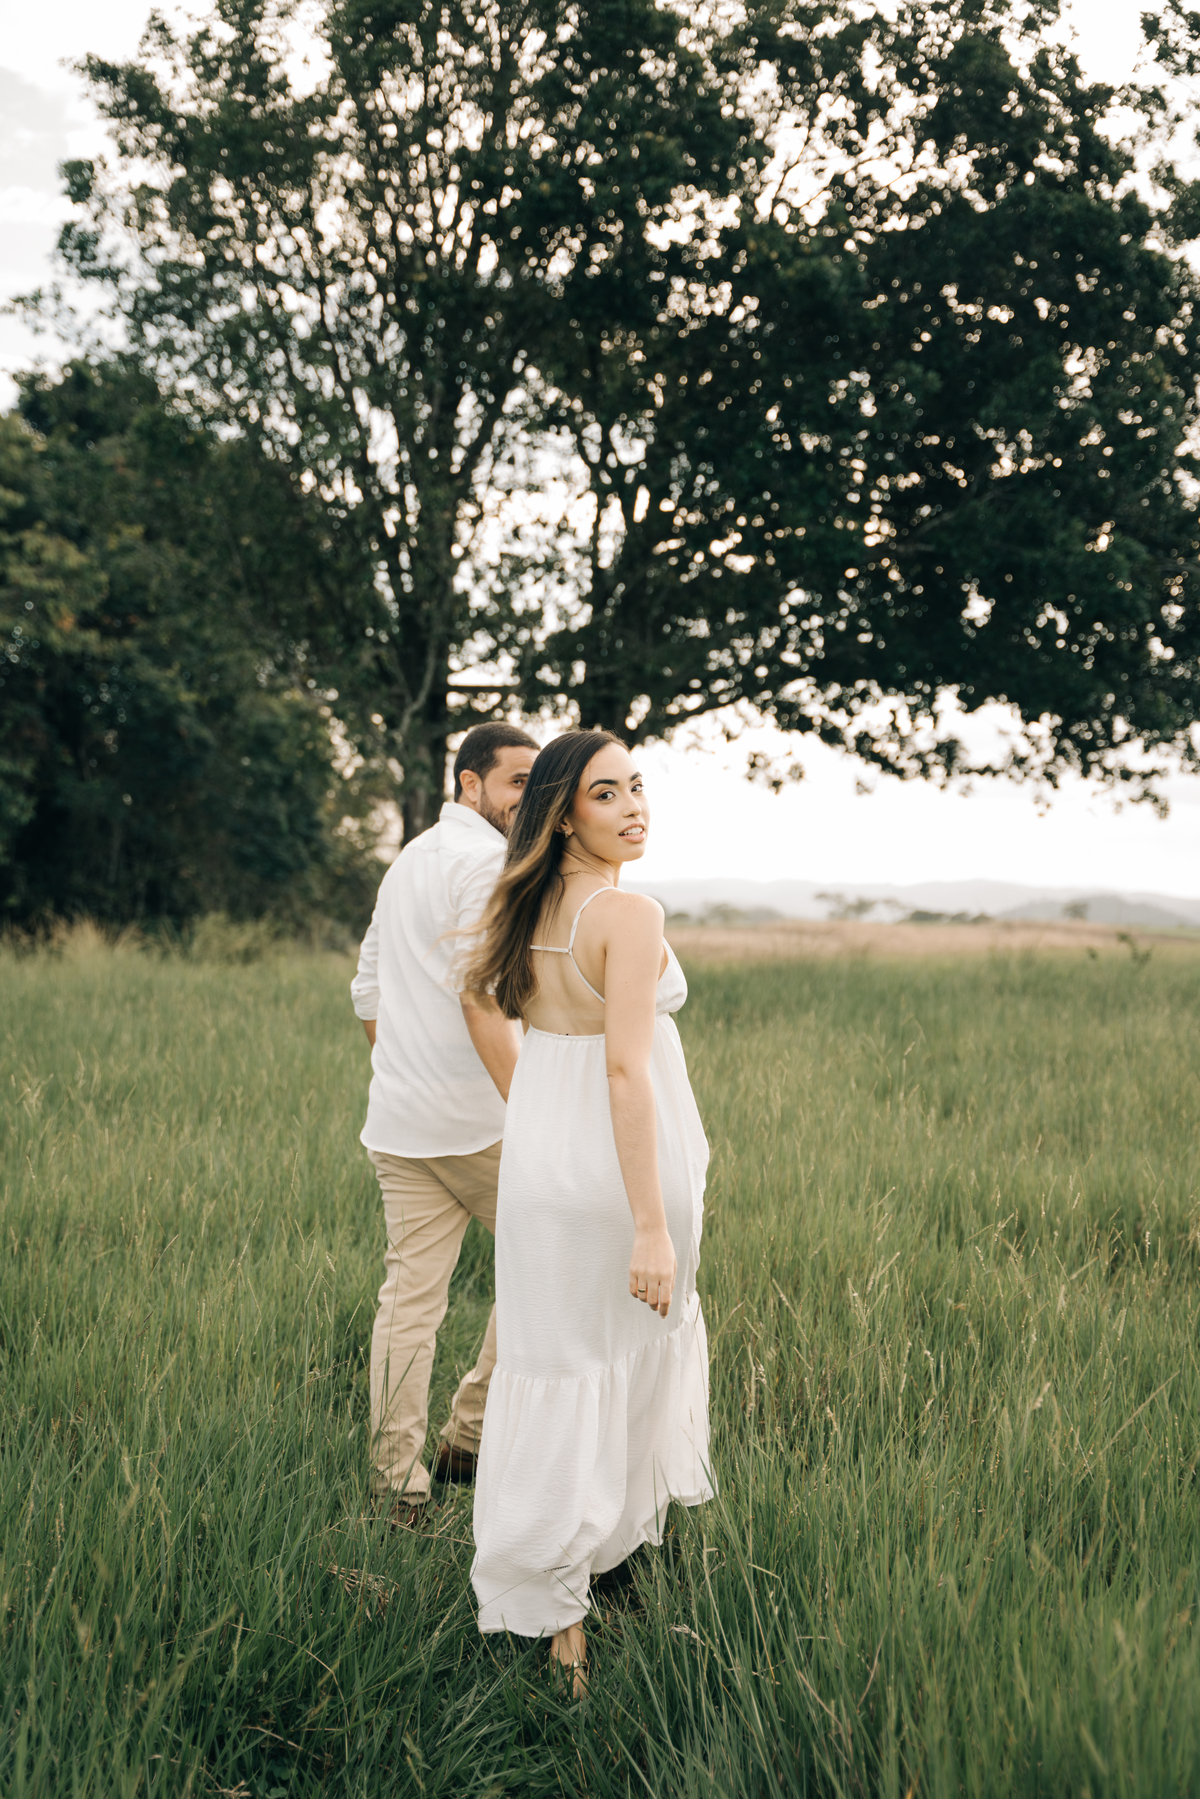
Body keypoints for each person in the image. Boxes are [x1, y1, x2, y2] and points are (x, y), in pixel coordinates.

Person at [464, 729, 713, 1692]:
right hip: (621, 1179)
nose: (636, 807)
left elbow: (479, 1005)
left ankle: (564, 1601)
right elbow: (625, 1069)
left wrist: (542, 1113)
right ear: (565, 812)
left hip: (542, 1169)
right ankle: (597, 1580)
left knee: (556, 1368)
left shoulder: (518, 906)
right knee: (622, 1361)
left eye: (640, 788)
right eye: (609, 794)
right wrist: (650, 1224)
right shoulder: (628, 911)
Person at [351, 720, 538, 1526]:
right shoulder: (488, 862)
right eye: (517, 782)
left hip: (399, 1122)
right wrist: (533, 1113)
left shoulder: (411, 861)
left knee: (409, 1304)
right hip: (484, 1125)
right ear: (470, 784)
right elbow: (483, 995)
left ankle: (398, 1485)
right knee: (567, 1254)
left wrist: (407, 1073)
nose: (530, 797)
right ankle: (469, 1429)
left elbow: (367, 989)